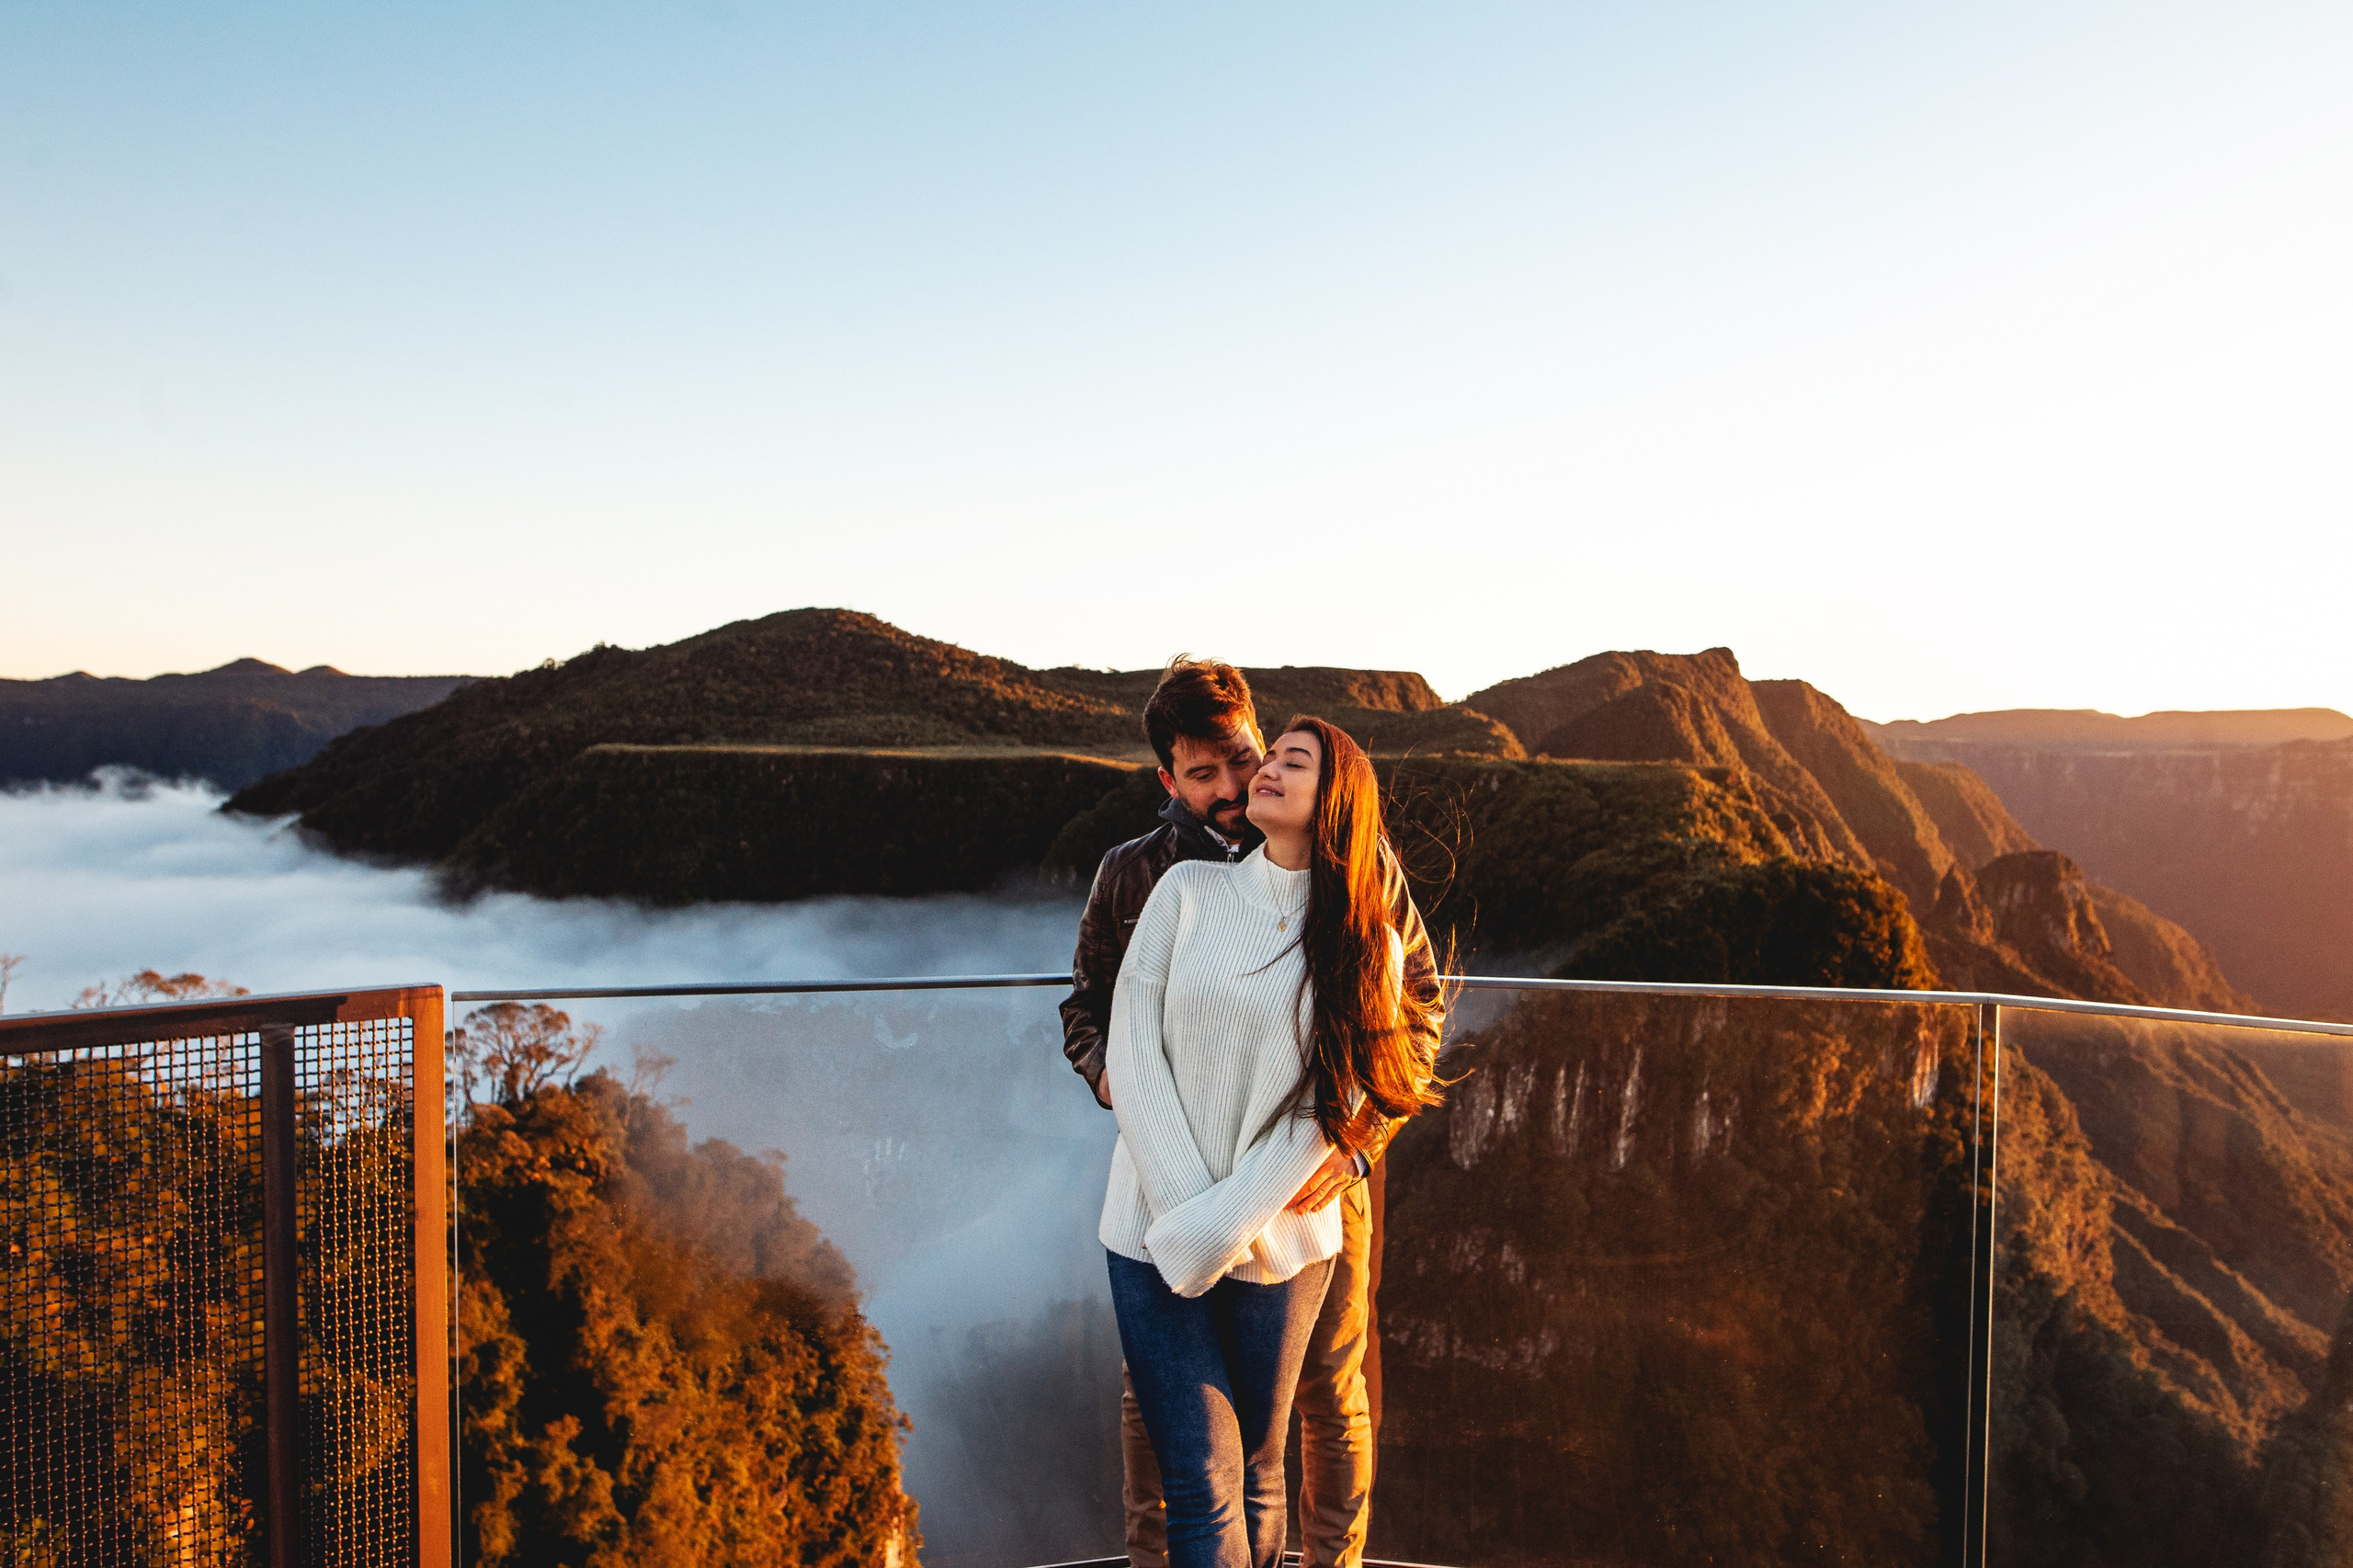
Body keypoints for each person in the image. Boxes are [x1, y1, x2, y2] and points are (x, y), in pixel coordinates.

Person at [1064, 659, 1443, 1568]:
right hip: (1177, 1172)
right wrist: (1113, 1075)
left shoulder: (1359, 867)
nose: (1234, 787)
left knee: (1326, 1388)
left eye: (1245, 758)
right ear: (1169, 779)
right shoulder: (1141, 875)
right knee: (1158, 1403)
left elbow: (1415, 1010)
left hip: (1311, 1177)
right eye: (1205, 774)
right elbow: (1089, 1007)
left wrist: (1352, 1150)